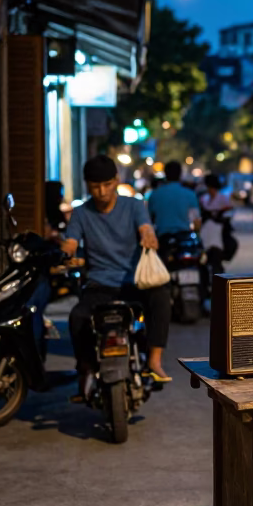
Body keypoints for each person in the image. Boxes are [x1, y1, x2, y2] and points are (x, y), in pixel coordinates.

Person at [62, 155, 172, 397]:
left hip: (135, 282)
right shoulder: (80, 213)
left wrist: (148, 236)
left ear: (116, 181)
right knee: (77, 317)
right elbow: (70, 242)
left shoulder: (133, 206)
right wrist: (63, 252)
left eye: (107, 185)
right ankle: (86, 369)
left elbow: (145, 227)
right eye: (95, 187)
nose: (101, 192)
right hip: (99, 285)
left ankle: (154, 360)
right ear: (87, 186)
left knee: (162, 299)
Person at [147, 161, 199, 236]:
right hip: (184, 237)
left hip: (162, 237)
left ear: (165, 174)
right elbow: (196, 221)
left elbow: (149, 219)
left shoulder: (155, 194)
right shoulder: (189, 194)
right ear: (180, 174)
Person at [200, 173, 235, 283]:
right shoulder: (204, 199)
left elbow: (229, 211)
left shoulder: (223, 198)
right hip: (206, 232)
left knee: (216, 260)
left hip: (218, 232)